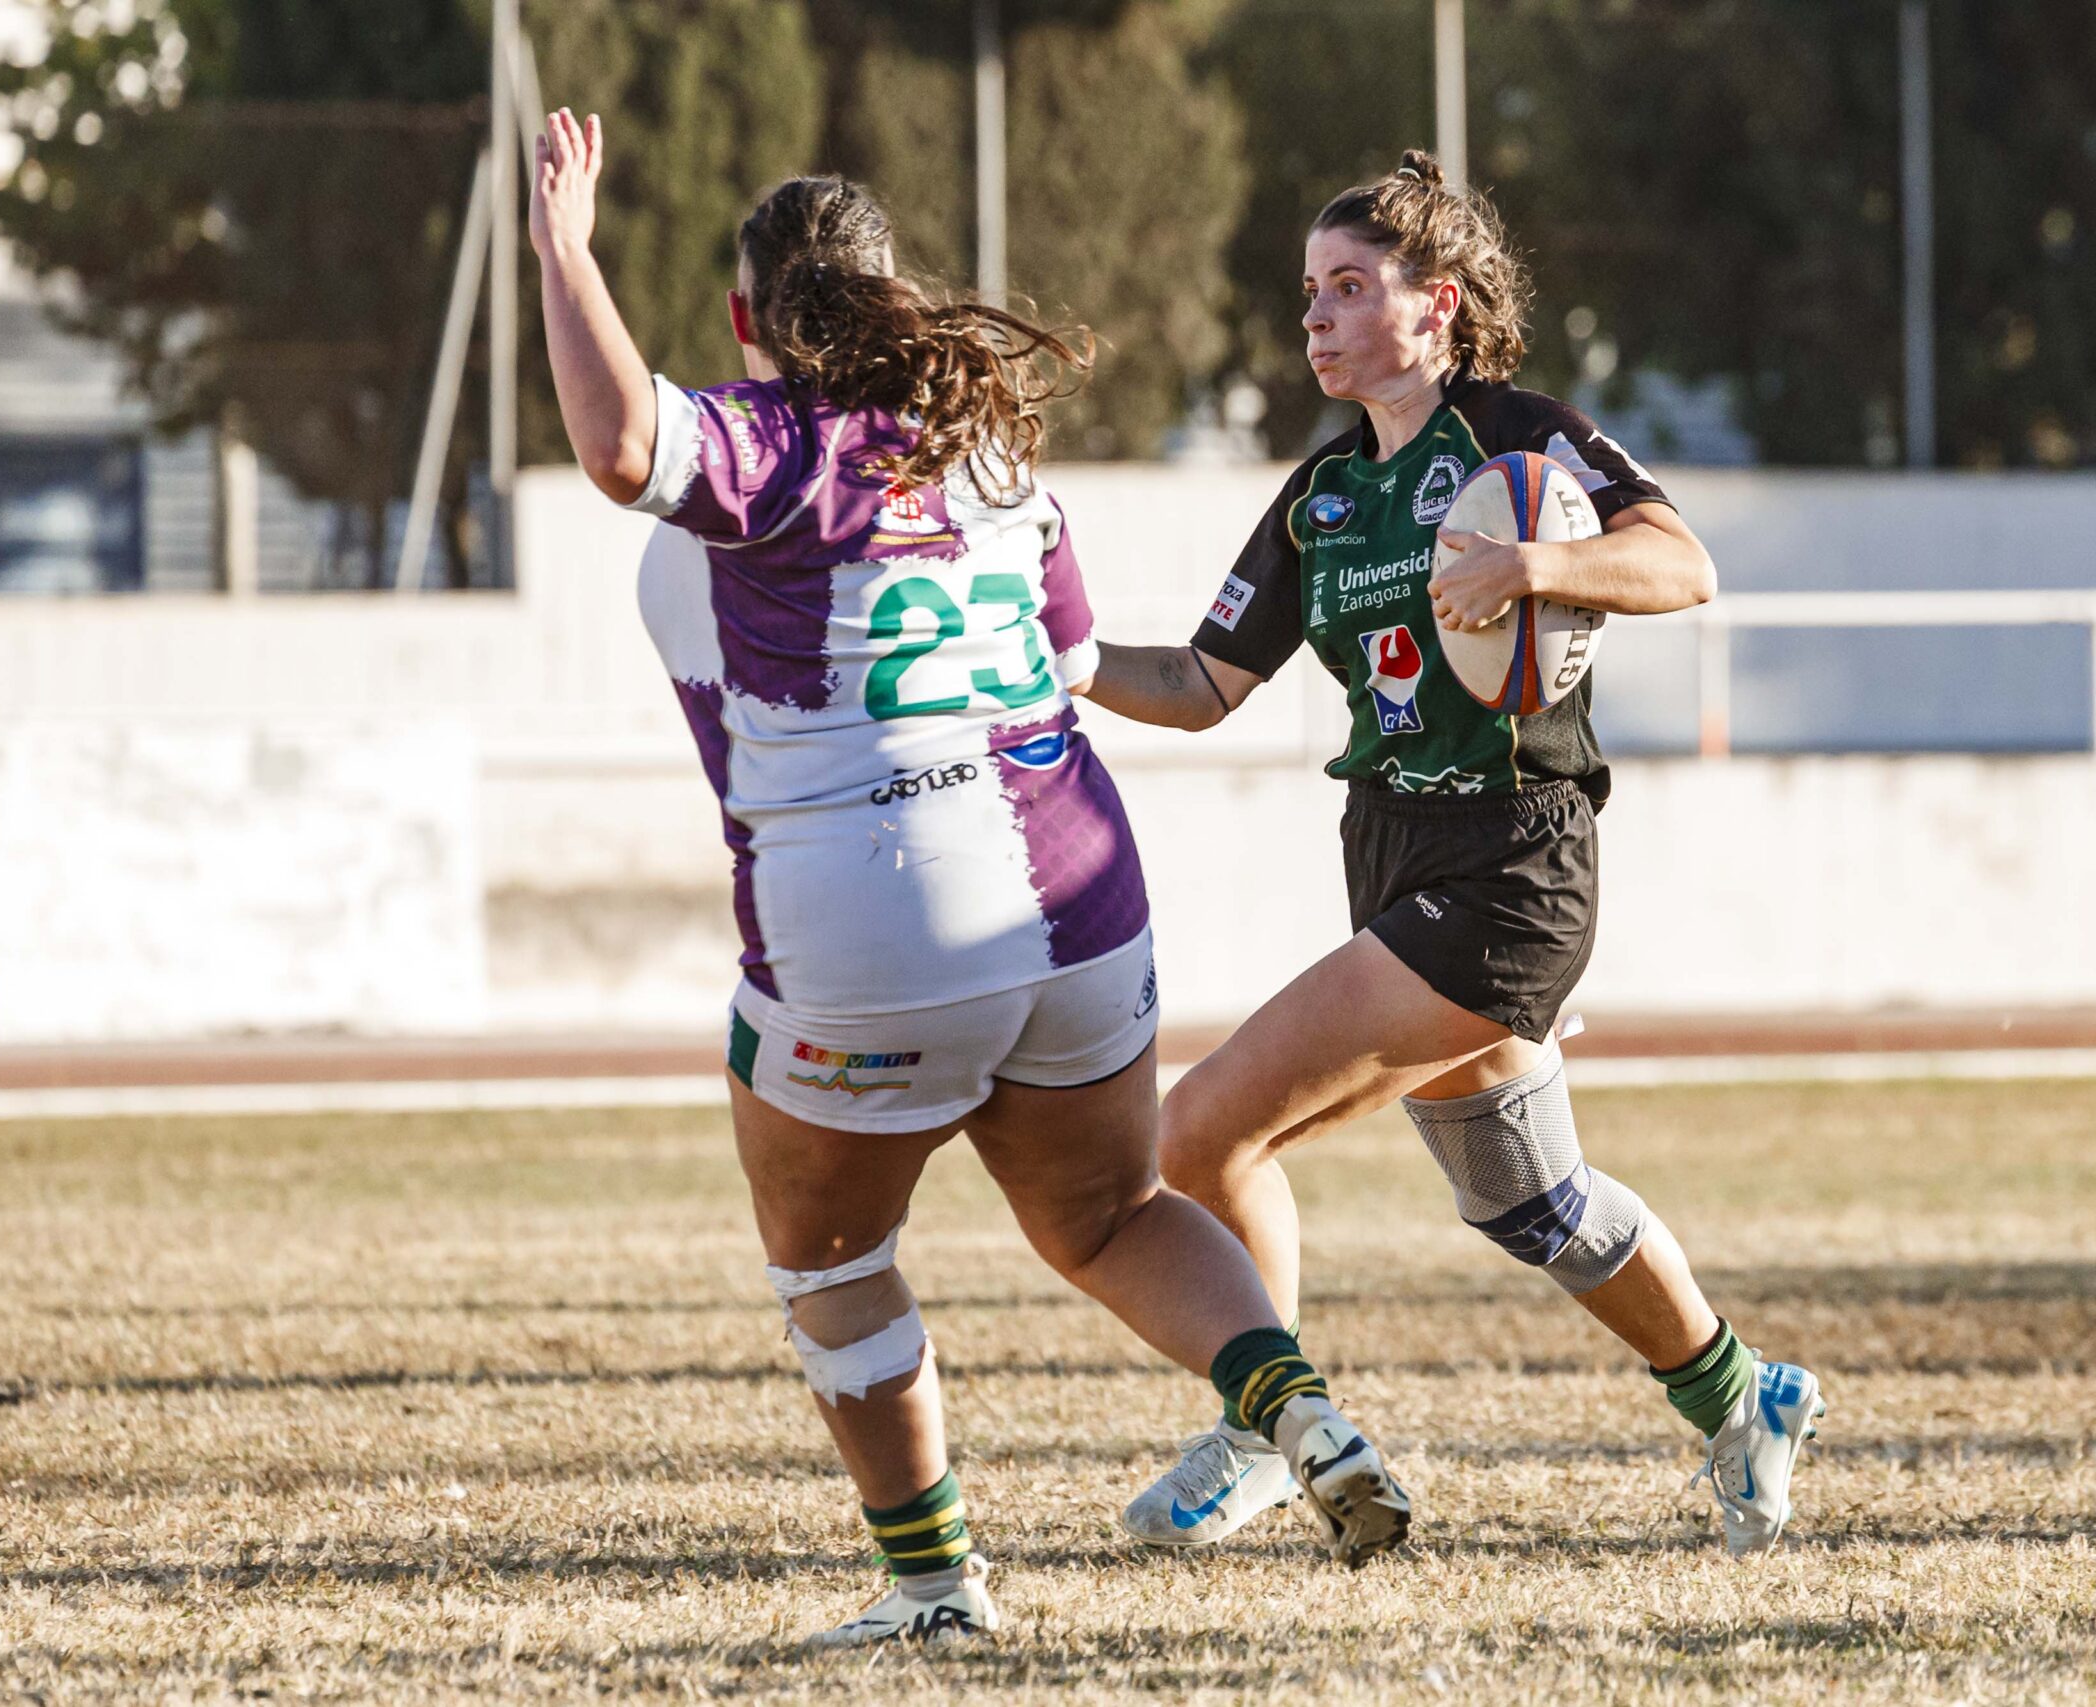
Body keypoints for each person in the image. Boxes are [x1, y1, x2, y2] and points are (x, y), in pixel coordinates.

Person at [528, 111, 1410, 1647]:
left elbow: (619, 450)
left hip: (874, 920)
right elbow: (1069, 662)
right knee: (1114, 1215)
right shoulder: (996, 456)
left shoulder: (766, 453)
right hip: (1079, 900)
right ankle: (1306, 1419)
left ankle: (935, 1588)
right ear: (900, 298)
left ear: (749, 320)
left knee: (831, 1256)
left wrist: (562, 249)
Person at [1081, 151, 1824, 1557]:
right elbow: (1196, 680)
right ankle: (1744, 1396)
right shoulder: (1320, 500)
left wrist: (1538, 566)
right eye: (1311, 292)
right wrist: (1055, 656)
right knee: (1531, 1200)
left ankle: (1264, 1424)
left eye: (1352, 288)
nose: (1319, 317)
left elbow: (1685, 564)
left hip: (1511, 874)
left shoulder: (1518, 438)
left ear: (1443, 305)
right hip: (1392, 854)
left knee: (1198, 1131)